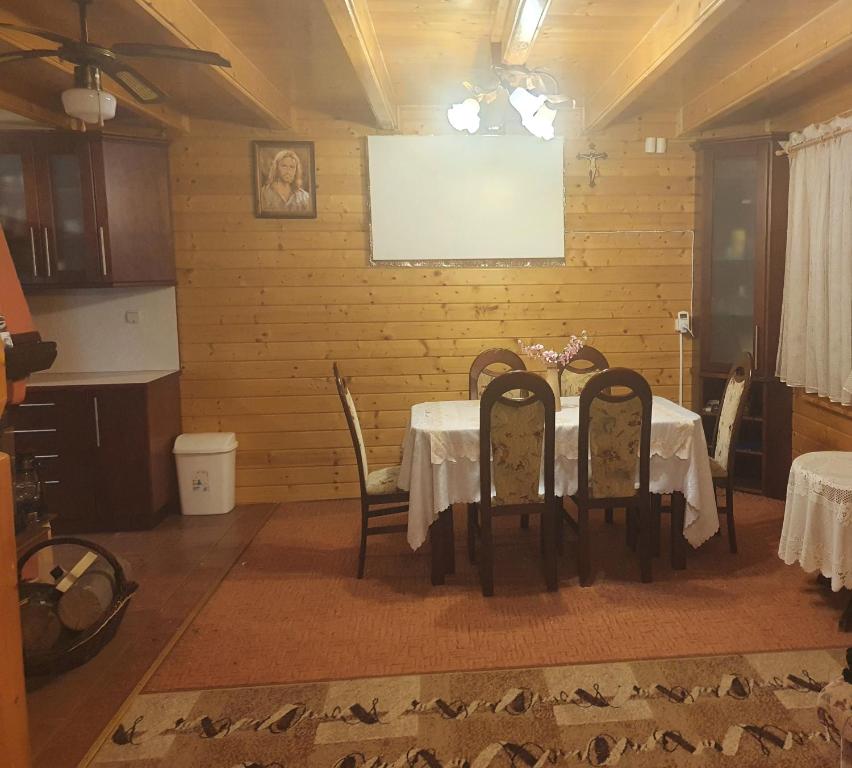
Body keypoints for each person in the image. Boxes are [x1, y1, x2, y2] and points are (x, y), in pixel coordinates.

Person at [260, 149, 311, 213]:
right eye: (284, 166)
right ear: (276, 168)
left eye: (292, 167)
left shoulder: (304, 197)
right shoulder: (264, 193)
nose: (288, 171)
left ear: (296, 171)